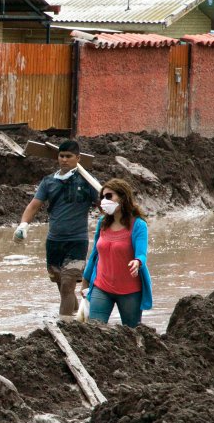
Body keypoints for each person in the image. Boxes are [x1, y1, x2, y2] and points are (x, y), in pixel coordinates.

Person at [14, 140, 98, 317]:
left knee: (68, 284)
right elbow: (34, 205)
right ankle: (75, 314)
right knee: (62, 286)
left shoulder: (88, 183)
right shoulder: (49, 182)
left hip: (77, 241)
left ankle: (63, 325)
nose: (64, 160)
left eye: (69, 156)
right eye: (62, 156)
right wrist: (23, 225)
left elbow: (103, 206)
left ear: (78, 158)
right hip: (54, 242)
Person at [81, 179, 152, 327]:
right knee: (95, 331)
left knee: (132, 333)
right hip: (101, 287)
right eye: (102, 197)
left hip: (130, 291)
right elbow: (95, 255)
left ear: (123, 197)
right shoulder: (102, 223)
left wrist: (137, 262)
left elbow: (142, 254)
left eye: (109, 196)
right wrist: (85, 282)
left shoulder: (138, 225)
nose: (104, 201)